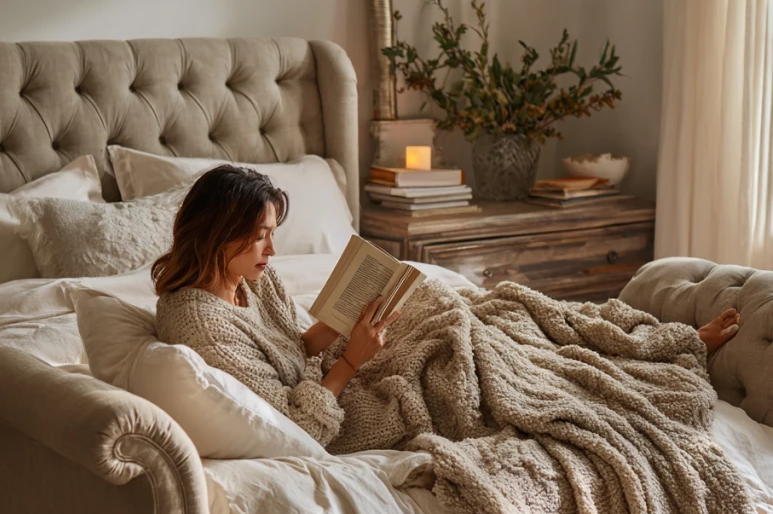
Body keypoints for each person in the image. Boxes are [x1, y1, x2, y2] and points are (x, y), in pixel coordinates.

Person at [154, 165, 740, 450]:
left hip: (341, 371)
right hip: (348, 406)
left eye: (273, 233)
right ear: (215, 233)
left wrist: (336, 324)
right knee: (482, 356)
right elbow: (293, 425)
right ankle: (661, 358)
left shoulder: (251, 278)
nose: (272, 250)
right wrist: (352, 360)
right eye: (259, 236)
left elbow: (291, 350)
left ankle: (650, 343)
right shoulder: (198, 324)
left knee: (490, 309)